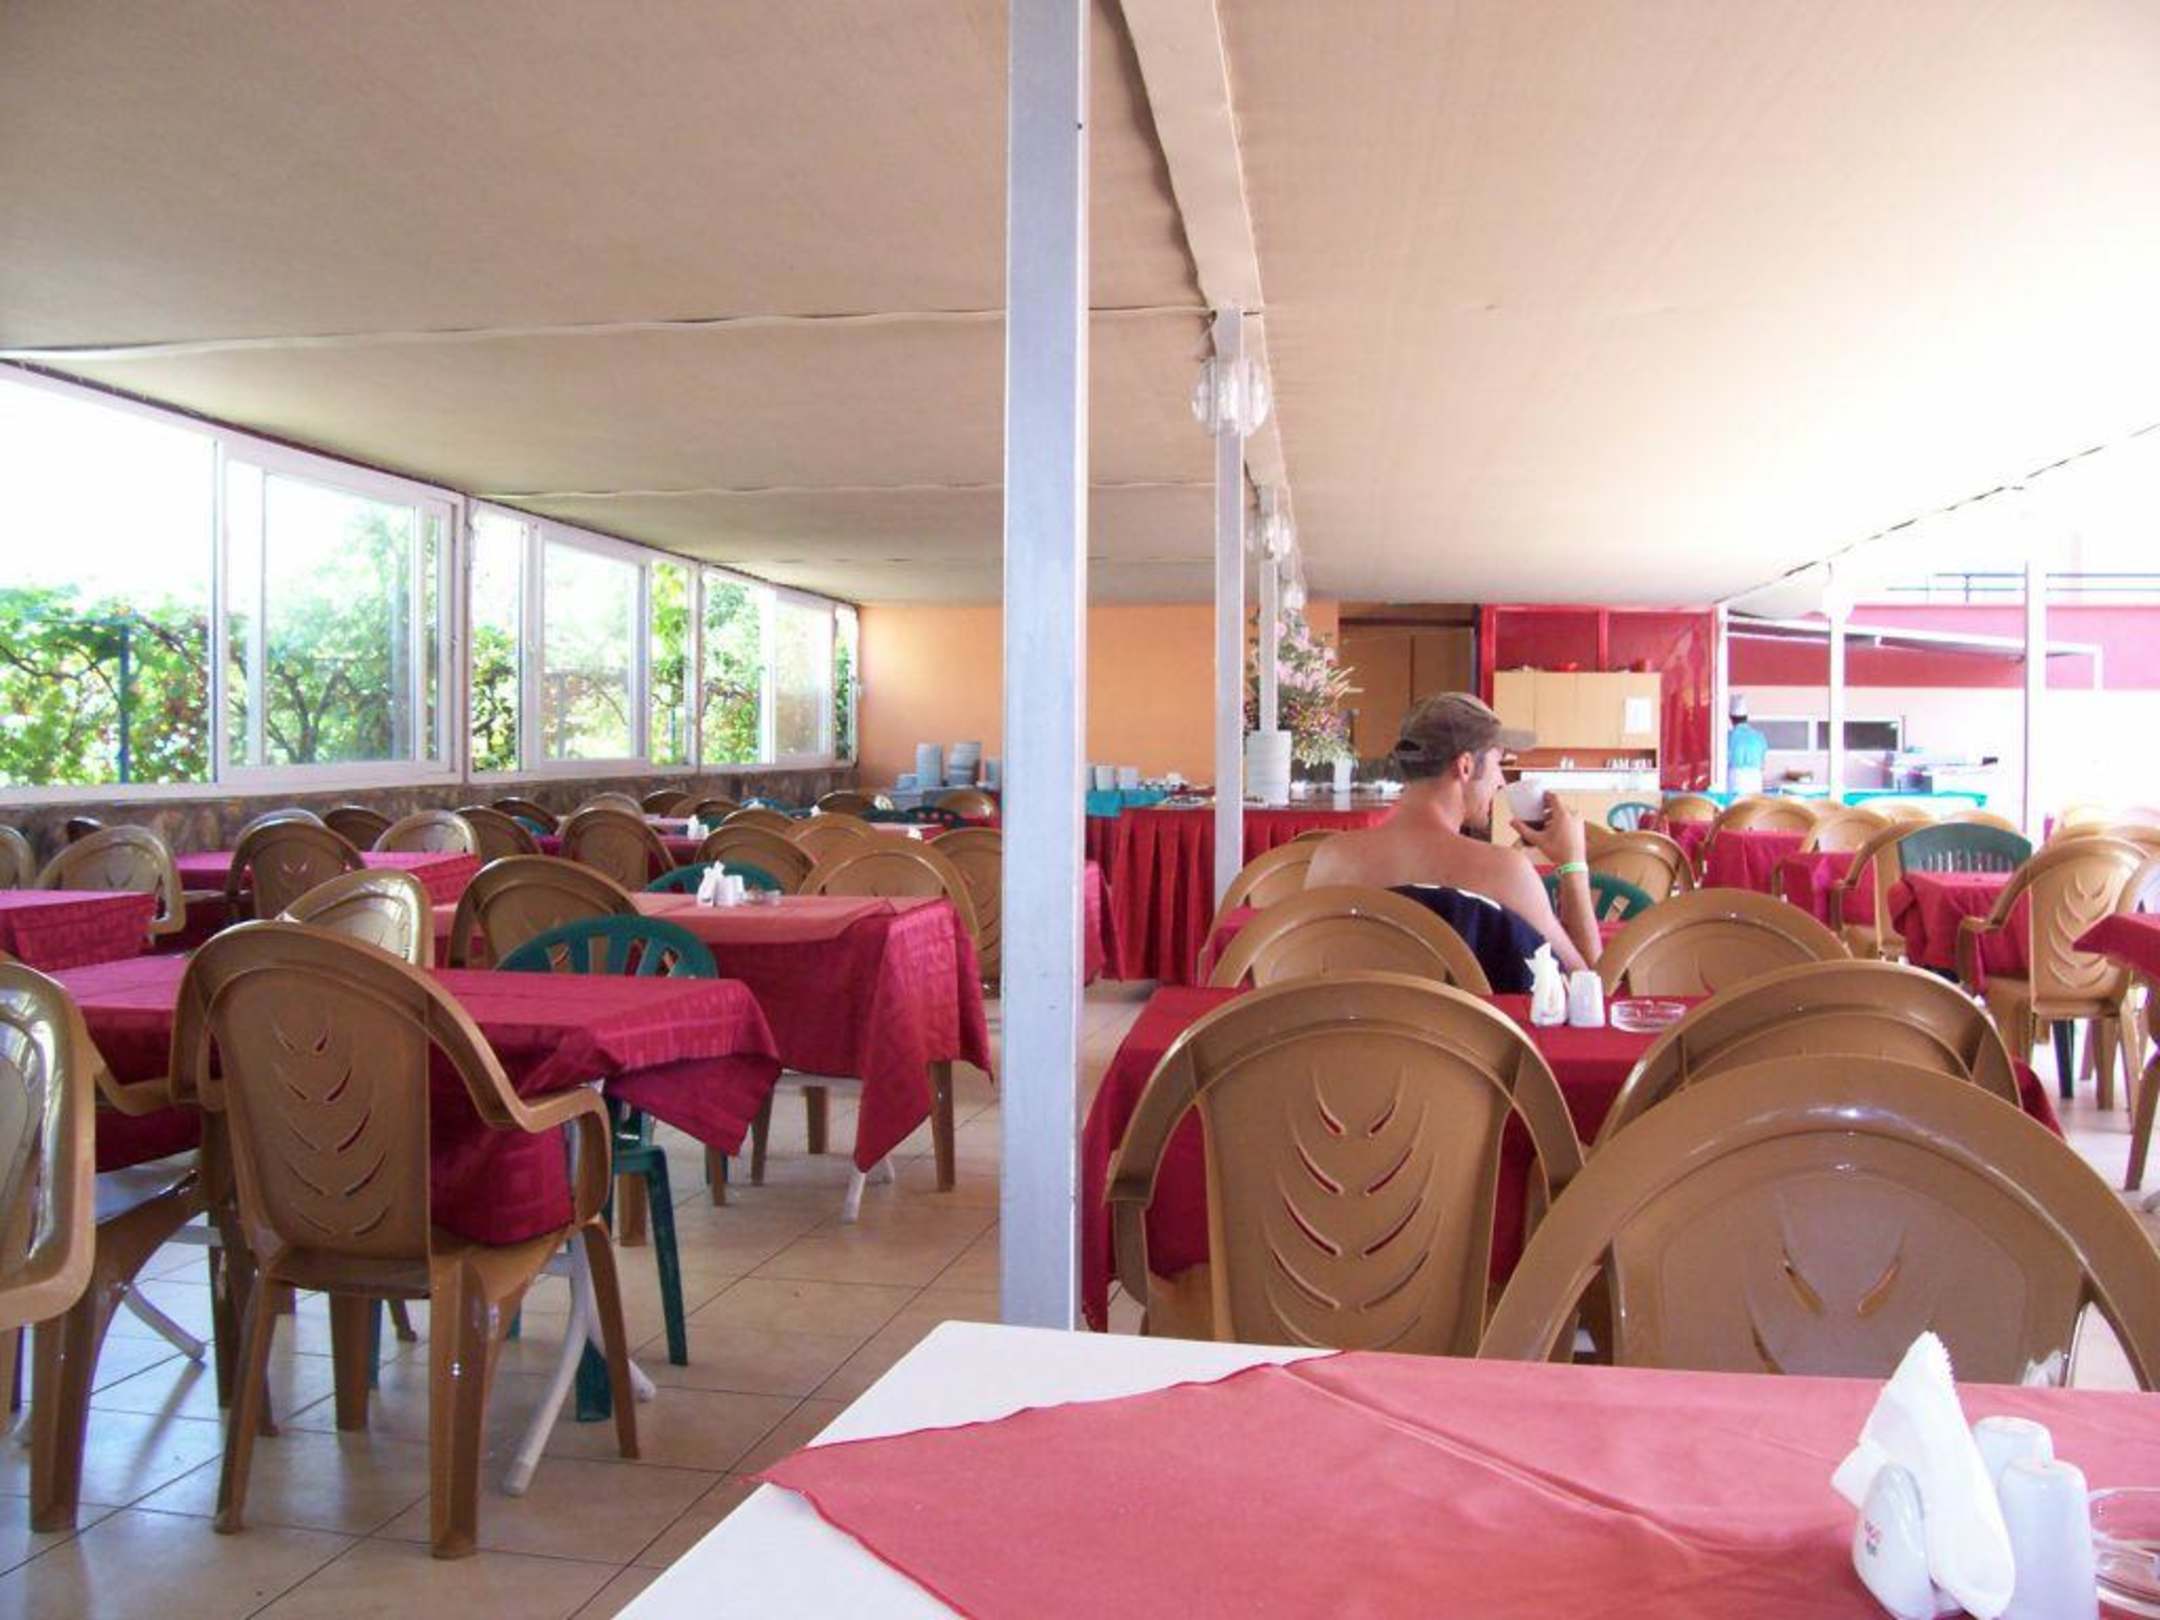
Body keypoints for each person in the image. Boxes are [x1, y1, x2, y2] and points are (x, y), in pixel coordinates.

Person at [1305, 691, 1602, 973]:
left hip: (1358, 1013)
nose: (1501, 781)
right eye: (1498, 763)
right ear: (1465, 766)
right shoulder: (1505, 872)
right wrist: (1573, 863)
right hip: (1474, 1014)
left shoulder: (1331, 859)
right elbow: (1588, 984)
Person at [1727, 694, 1768, 798]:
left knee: (1735, 805)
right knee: (1753, 805)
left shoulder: (1728, 737)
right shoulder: (1759, 736)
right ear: (1746, 718)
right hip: (1755, 779)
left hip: (1735, 779)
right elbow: (1763, 762)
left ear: (1731, 718)